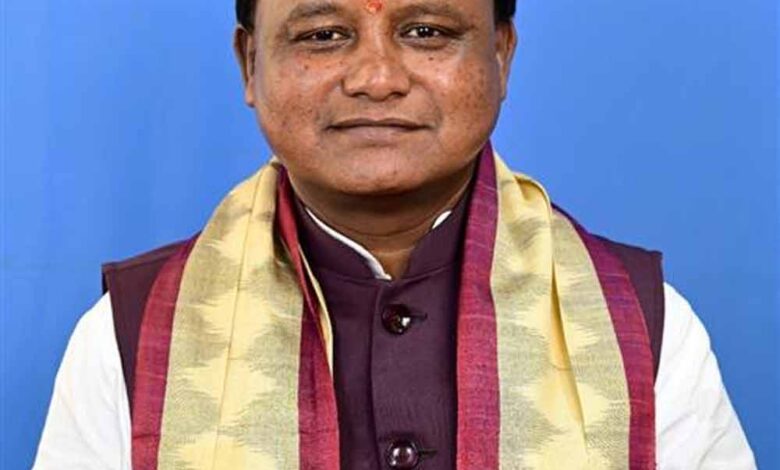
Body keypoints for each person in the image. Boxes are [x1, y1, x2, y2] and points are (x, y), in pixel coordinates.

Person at [34, 0, 755, 468]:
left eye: (426, 32)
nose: (377, 78)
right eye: (324, 35)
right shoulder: (133, 337)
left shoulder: (641, 329)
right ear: (249, 63)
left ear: (501, 55)